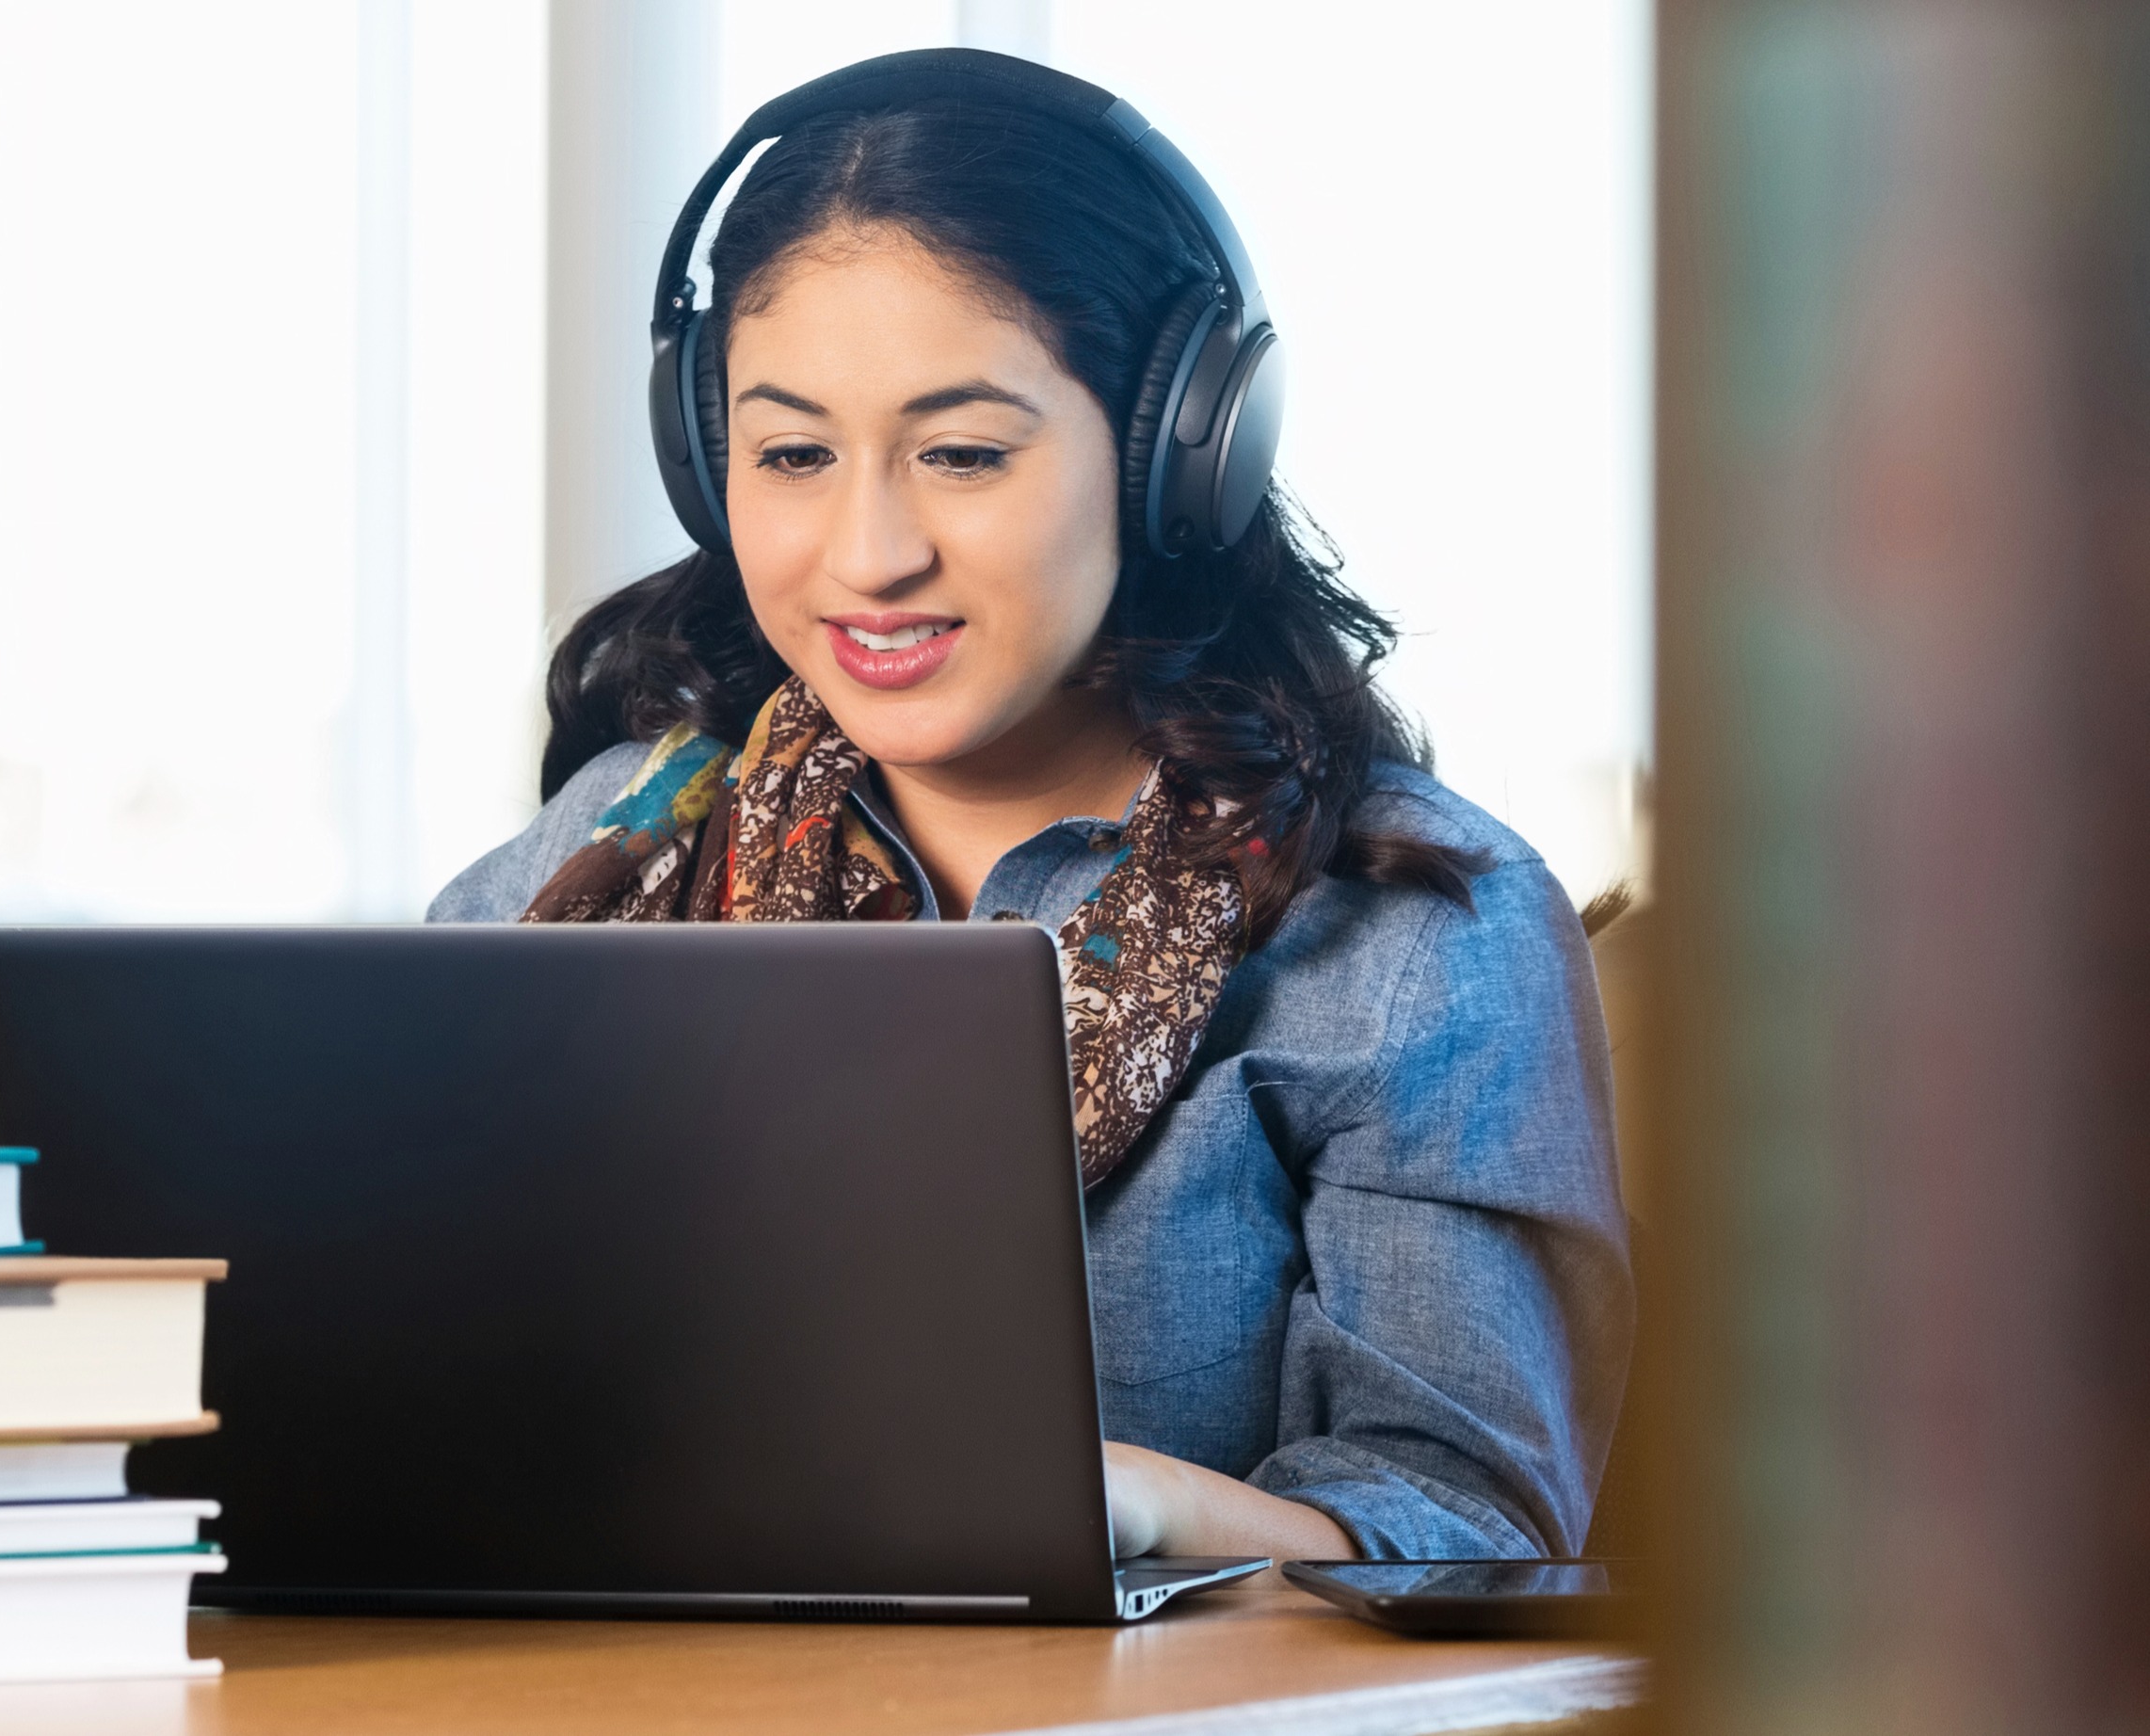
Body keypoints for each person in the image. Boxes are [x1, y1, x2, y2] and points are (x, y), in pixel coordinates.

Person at [430, 54, 1629, 1563]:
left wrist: (1138, 1501)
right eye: (792, 453)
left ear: (1175, 458)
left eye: (963, 454)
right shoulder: (619, 843)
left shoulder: (1411, 935)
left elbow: (1473, 1520)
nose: (867, 554)